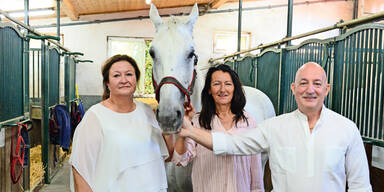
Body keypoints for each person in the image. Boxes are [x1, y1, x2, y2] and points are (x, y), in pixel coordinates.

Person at [179, 62, 372, 192]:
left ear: (327, 89)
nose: (310, 90)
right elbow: (231, 144)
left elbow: (361, 186)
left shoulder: (347, 129)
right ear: (293, 89)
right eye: (303, 83)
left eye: (317, 83)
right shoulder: (274, 127)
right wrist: (189, 130)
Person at [69, 54, 173, 192]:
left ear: (136, 79)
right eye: (116, 75)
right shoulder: (95, 116)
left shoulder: (147, 111)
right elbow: (80, 169)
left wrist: (171, 126)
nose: (124, 80)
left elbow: (166, 155)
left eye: (129, 74)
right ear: (107, 83)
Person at [173, 64, 265, 192]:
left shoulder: (249, 122)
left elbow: (256, 170)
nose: (223, 89)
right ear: (209, 90)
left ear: (234, 88)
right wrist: (184, 130)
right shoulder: (198, 122)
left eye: (228, 84)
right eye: (216, 84)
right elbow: (179, 160)